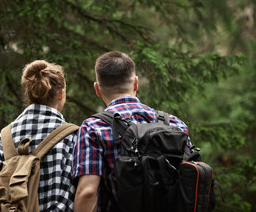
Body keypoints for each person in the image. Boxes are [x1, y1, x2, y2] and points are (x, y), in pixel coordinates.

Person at [72, 51, 191, 212]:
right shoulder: (175, 124)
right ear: (136, 83)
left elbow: (88, 192)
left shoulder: (93, 127)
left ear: (97, 89)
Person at [0, 60, 77, 212]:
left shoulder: (4, 137)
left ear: (28, 93)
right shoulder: (72, 137)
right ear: (61, 94)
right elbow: (82, 194)